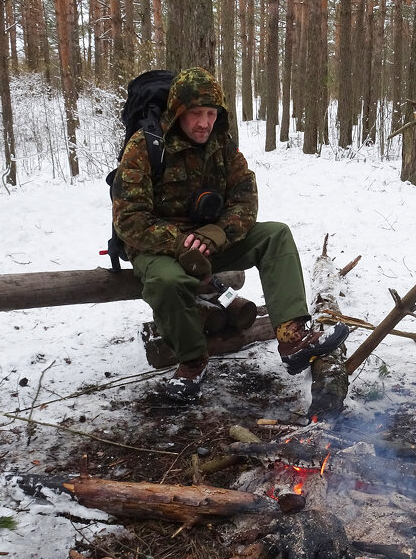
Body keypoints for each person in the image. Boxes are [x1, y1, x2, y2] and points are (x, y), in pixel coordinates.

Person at [112, 67, 349, 401]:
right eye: (196, 114)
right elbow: (129, 217)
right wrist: (179, 243)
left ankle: (292, 337)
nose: (204, 123)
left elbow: (245, 198)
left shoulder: (221, 144)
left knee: (275, 235)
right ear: (179, 111)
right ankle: (192, 363)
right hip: (157, 246)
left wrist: (217, 233)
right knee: (167, 283)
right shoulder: (145, 147)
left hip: (209, 241)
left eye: (211, 114)